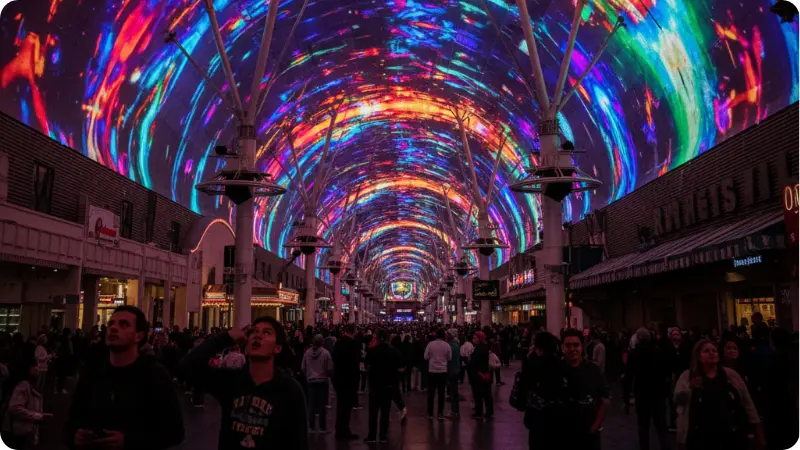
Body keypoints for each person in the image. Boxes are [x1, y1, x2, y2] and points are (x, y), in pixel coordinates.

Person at [64, 305, 184, 450]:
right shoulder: (92, 374)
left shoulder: (154, 375)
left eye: (124, 324)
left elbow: (174, 432)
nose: (114, 328)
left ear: (138, 335)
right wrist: (75, 436)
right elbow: (72, 422)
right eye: (111, 323)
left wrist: (129, 441)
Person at [180, 316, 309, 450]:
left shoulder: (289, 390)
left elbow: (299, 442)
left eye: (266, 332)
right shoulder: (231, 381)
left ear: (277, 348)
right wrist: (226, 337)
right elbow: (187, 367)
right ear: (246, 346)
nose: (258, 335)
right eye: (253, 331)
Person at [674, 339, 763, 450]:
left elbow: (746, 400)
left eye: (714, 350)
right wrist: (689, 387)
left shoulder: (730, 375)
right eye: (706, 351)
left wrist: (755, 424)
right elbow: (678, 401)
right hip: (700, 436)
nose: (711, 353)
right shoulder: (688, 376)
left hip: (731, 434)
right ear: (699, 357)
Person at [622, 328, 671, 450]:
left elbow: (628, 378)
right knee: (661, 427)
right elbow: (666, 373)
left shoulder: (634, 354)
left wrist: (626, 399)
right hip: (658, 395)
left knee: (643, 427)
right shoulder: (658, 351)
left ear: (638, 338)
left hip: (642, 396)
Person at [560, 328, 609, 450]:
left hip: (589, 435)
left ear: (582, 347)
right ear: (562, 347)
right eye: (568, 345)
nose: (572, 349)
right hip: (563, 435)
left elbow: (605, 400)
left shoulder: (592, 370)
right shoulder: (555, 370)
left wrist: (595, 426)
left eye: (575, 345)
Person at [513, 331, 562, 450]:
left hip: (535, 416)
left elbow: (523, 384)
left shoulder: (531, 362)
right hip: (551, 417)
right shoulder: (557, 364)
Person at [0, 358, 52, 449]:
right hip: (20, 431)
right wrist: (38, 416)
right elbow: (14, 408)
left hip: (24, 430)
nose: (38, 368)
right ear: (28, 369)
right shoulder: (23, 386)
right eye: (35, 366)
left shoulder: (28, 385)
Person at [364, 329, 403, 443]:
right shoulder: (394, 351)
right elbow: (401, 368)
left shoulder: (372, 351)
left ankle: (372, 436)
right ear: (388, 338)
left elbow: (366, 366)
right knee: (385, 411)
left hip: (375, 385)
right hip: (388, 385)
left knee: (373, 412)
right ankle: (383, 436)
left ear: (376, 338)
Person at [332, 324, 360, 440]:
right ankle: (344, 432)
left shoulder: (338, 343)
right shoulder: (352, 344)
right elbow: (354, 365)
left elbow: (334, 359)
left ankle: (339, 430)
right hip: (348, 380)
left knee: (340, 406)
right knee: (346, 408)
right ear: (353, 331)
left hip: (339, 379)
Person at [302, 334, 334, 434]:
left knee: (311, 404)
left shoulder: (307, 353)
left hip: (311, 381)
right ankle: (322, 427)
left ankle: (310, 427)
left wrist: (308, 374)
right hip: (322, 381)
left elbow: (303, 367)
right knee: (322, 404)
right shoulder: (325, 353)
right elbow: (330, 368)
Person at [665, 327, 690, 431]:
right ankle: (673, 422)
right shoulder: (667, 347)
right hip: (671, 376)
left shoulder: (685, 347)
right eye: (674, 334)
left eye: (677, 334)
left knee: (684, 399)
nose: (676, 335)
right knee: (672, 400)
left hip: (683, 375)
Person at [424, 328, 451, 420]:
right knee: (441, 393)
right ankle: (440, 413)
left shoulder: (430, 344)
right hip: (443, 371)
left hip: (432, 371)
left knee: (431, 393)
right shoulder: (447, 345)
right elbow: (450, 357)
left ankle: (430, 413)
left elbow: (425, 357)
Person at [468, 331, 493, 419]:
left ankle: (479, 413)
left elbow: (473, 361)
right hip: (485, 373)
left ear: (478, 339)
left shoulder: (478, 348)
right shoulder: (485, 347)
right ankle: (489, 411)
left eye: (475, 338)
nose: (473, 339)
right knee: (487, 394)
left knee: (478, 394)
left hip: (478, 374)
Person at [445, 328, 461, 417]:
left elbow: (448, 358)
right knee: (454, 391)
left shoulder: (449, 345)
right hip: (456, 369)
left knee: (452, 391)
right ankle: (456, 410)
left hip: (451, 370)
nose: (446, 336)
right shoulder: (457, 344)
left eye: (447, 334)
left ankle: (454, 411)